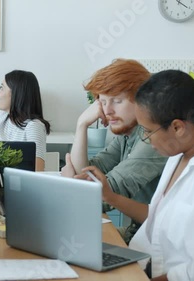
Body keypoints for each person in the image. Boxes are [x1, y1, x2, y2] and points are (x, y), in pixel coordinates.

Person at [84, 70, 194, 280]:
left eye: (148, 132)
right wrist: (110, 197)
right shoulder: (180, 153)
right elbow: (159, 217)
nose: (146, 140)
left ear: (177, 127)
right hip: (143, 263)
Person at [61, 59, 167, 243]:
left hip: (153, 242)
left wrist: (72, 182)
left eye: (117, 101)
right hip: (138, 232)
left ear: (142, 100)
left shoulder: (150, 138)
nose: (108, 110)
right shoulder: (128, 134)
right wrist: (81, 125)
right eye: (102, 102)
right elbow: (87, 172)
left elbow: (100, 199)